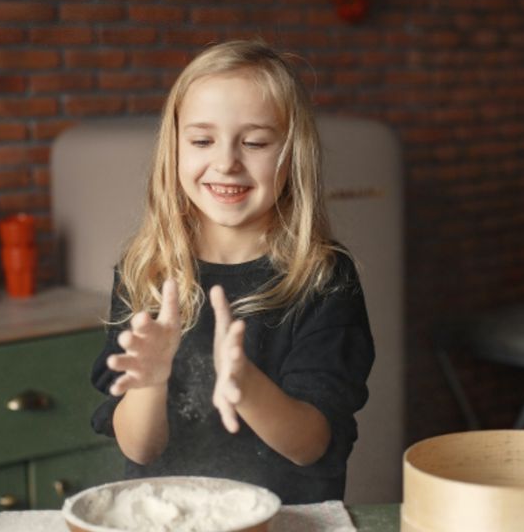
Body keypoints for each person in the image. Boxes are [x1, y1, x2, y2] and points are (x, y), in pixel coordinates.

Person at [89, 39, 375, 504]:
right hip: (170, 517)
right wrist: (151, 381)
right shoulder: (146, 271)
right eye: (202, 140)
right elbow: (140, 448)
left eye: (256, 142)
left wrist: (245, 385)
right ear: (174, 148)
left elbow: (311, 446)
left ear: (292, 153)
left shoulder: (322, 278)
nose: (226, 162)